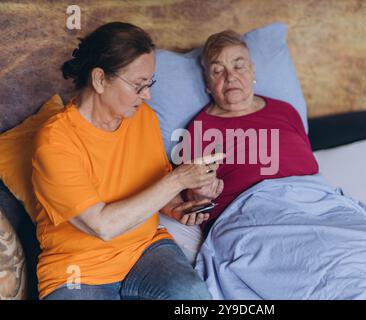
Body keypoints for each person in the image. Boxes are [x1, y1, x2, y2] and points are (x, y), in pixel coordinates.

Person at [31, 22, 223, 300]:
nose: (148, 95)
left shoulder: (143, 117)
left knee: (195, 296)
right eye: (138, 85)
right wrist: (179, 179)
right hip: (78, 270)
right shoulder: (55, 141)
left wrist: (180, 207)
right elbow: (103, 226)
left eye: (149, 84)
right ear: (99, 80)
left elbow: (153, 188)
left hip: (145, 251)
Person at [185, 30, 319, 236]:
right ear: (208, 83)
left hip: (316, 205)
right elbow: (190, 197)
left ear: (253, 72)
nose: (230, 77)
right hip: (252, 220)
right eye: (218, 71)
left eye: (239, 66)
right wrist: (198, 194)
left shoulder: (286, 111)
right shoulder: (199, 130)